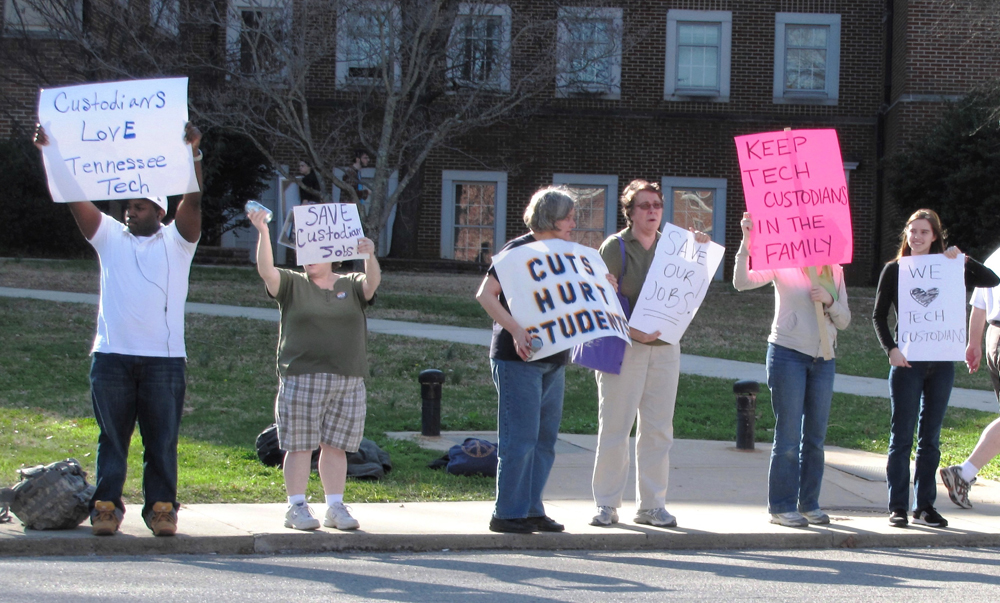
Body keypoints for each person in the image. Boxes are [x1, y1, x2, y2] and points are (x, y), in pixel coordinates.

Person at [33, 122, 204, 537]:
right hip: (111, 357)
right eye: (128, 205)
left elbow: (194, 200)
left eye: (141, 206)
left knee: (161, 440)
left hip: (164, 361)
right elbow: (77, 200)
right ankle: (106, 506)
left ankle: (161, 508)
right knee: (112, 438)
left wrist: (194, 154)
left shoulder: (178, 242)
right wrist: (51, 153)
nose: (130, 211)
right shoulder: (110, 237)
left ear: (160, 211)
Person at [248, 206, 380, 531]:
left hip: (348, 380)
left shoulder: (351, 284)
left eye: (316, 250)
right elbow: (267, 271)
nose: (309, 256)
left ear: (333, 253)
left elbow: (372, 284)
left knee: (336, 446)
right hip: (301, 377)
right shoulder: (293, 283)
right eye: (303, 248)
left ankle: (335, 506)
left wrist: (369, 256)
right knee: (299, 445)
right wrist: (264, 233)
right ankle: (296, 507)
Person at [589, 179, 709, 529]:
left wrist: (699, 248)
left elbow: (692, 285)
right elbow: (600, 302)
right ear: (630, 212)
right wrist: (631, 330)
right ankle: (607, 504)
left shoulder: (674, 246)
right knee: (615, 426)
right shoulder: (615, 247)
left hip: (665, 349)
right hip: (624, 348)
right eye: (644, 205)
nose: (653, 211)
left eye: (657, 205)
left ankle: (652, 505)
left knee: (658, 430)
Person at [873, 209, 999, 528]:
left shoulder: (949, 268)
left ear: (935, 236)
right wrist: (891, 349)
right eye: (912, 231)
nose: (916, 237)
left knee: (930, 438)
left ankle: (925, 505)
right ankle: (898, 505)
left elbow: (992, 280)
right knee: (901, 437)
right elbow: (878, 316)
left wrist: (964, 260)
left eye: (924, 232)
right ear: (906, 234)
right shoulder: (895, 269)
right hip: (907, 363)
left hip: (941, 362)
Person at [734, 211, 851, 528]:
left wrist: (830, 300)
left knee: (815, 437)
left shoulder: (835, 271)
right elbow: (742, 282)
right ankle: (782, 506)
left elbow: (845, 319)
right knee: (788, 436)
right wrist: (748, 241)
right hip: (787, 354)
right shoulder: (783, 261)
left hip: (824, 359)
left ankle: (809, 503)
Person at [475, 186, 576, 534]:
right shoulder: (516, 251)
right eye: (568, 217)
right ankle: (507, 513)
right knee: (520, 437)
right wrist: (516, 331)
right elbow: (485, 295)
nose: (573, 224)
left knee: (545, 438)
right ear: (550, 217)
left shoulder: (565, 252)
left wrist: (601, 284)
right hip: (517, 358)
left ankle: (531, 509)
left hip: (554, 356)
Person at [941, 247, 1000, 509]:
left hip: (994, 337)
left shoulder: (996, 256)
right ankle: (964, 472)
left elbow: (979, 305)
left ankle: (964, 473)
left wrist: (974, 343)